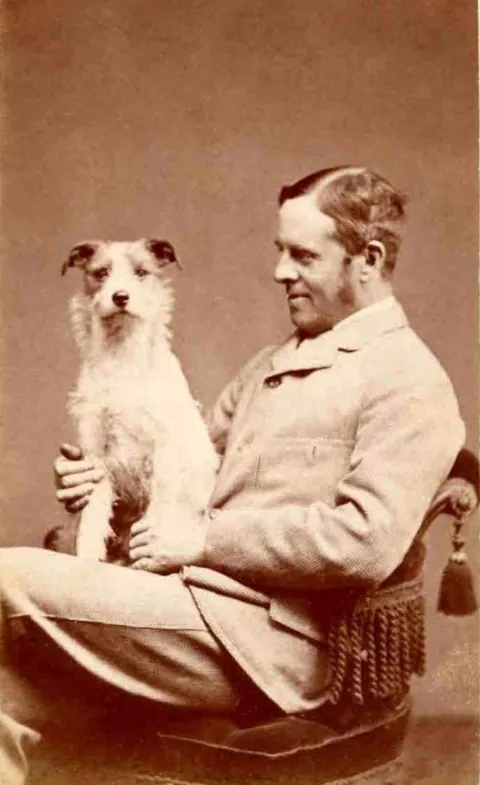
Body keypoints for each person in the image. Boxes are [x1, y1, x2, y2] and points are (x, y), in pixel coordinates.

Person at [0, 166, 465, 784]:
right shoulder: (269, 363)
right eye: (280, 251)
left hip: (272, 642)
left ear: (368, 259)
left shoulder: (409, 379)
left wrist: (204, 540)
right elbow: (186, 472)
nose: (280, 271)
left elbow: (364, 542)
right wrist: (103, 483)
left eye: (303, 255)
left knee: (4, 576)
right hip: (189, 600)